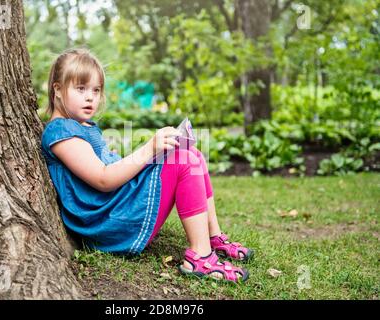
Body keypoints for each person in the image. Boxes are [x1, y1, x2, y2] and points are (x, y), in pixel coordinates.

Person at [40, 48, 253, 283]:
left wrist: (153, 154)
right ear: (57, 89)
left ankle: (213, 236)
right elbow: (102, 179)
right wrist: (149, 149)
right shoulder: (61, 131)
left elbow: (108, 167)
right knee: (185, 161)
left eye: (96, 90)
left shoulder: (83, 125)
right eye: (81, 89)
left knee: (193, 155)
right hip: (107, 221)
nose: (90, 97)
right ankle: (200, 258)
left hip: (114, 204)